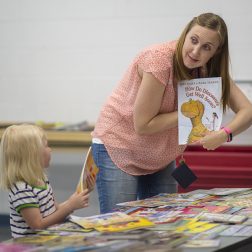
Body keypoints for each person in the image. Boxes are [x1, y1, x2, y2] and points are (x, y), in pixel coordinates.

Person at [91, 12, 252, 214]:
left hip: (161, 154)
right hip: (120, 146)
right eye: (193, 40)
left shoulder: (210, 68)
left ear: (216, 52)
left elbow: (248, 111)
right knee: (119, 226)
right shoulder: (159, 60)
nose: (195, 52)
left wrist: (224, 134)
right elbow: (143, 125)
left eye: (206, 48)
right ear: (185, 35)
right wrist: (189, 111)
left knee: (163, 225)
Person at [0, 124, 90, 237]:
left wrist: (73, 202)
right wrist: (70, 206)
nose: (50, 149)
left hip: (48, 237)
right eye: (46, 146)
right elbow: (38, 225)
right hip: (30, 245)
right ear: (32, 155)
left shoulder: (41, 178)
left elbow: (54, 210)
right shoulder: (22, 189)